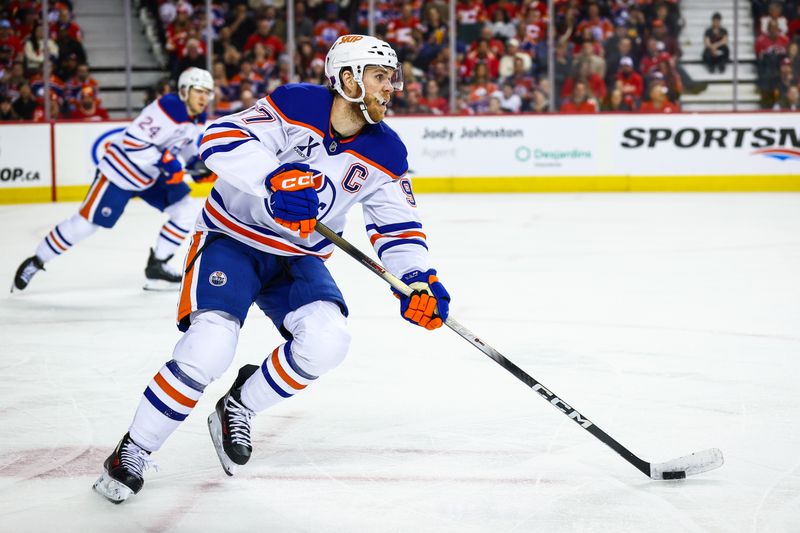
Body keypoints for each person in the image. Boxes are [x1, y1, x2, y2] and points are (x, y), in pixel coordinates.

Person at [92, 34, 451, 504]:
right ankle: (134, 449)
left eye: (391, 78)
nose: (391, 88)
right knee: (209, 347)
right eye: (380, 77)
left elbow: (398, 227)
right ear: (348, 79)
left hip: (299, 256)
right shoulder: (295, 103)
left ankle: (238, 405)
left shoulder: (387, 152)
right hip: (231, 238)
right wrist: (274, 178)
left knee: (328, 342)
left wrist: (418, 279)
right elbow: (219, 138)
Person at [12, 67, 214, 292]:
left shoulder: (198, 117)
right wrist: (167, 163)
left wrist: (196, 164)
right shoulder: (169, 108)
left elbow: (183, 146)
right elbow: (133, 143)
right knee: (85, 225)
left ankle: (158, 265)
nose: (203, 97)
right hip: (121, 171)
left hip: (151, 174)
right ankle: (37, 261)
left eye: (207, 93)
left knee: (186, 210)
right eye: (199, 91)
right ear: (185, 91)